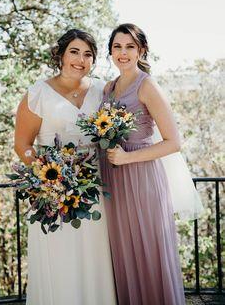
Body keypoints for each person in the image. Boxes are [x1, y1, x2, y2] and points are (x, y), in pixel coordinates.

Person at [14, 29, 117, 305]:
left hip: (96, 188)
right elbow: (22, 145)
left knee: (94, 255)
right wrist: (49, 178)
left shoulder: (102, 89)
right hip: (53, 193)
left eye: (88, 54)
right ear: (60, 54)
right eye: (74, 51)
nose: (81, 60)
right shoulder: (38, 93)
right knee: (59, 258)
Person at [100, 23, 186, 305]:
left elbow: (174, 142)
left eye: (129, 47)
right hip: (115, 180)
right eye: (117, 47)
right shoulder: (108, 89)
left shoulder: (147, 85)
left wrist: (127, 157)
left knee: (150, 251)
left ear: (141, 50)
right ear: (110, 51)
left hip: (143, 177)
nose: (122, 53)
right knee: (125, 252)